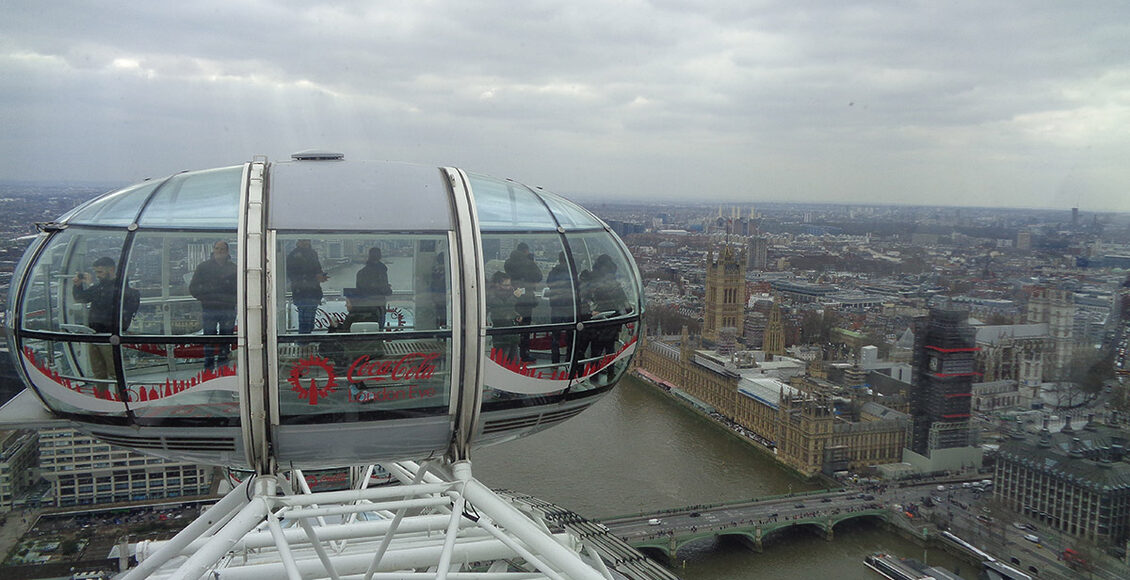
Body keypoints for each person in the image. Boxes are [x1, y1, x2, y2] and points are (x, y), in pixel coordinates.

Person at [72, 256, 140, 384]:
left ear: (111, 270)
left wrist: (91, 284)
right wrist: (77, 286)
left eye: (100, 272)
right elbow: (81, 298)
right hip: (95, 334)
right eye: (96, 272)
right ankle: (103, 399)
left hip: (110, 336)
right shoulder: (101, 287)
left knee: (115, 373)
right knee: (98, 373)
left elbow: (107, 302)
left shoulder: (119, 287)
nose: (98, 276)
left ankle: (119, 400)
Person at [189, 240, 238, 370]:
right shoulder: (203, 268)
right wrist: (209, 297)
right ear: (213, 250)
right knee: (209, 339)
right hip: (211, 308)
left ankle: (222, 369)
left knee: (225, 340)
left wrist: (208, 295)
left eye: (221, 249)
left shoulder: (234, 268)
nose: (219, 251)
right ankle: (209, 369)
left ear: (227, 251)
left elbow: (240, 289)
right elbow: (193, 288)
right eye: (217, 248)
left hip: (225, 309)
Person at [504, 242, 542, 361]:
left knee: (513, 325)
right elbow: (539, 276)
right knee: (525, 327)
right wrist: (531, 261)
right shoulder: (528, 263)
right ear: (526, 251)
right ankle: (524, 354)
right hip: (526, 299)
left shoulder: (508, 263)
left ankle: (510, 354)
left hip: (512, 296)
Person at [286, 239, 328, 334]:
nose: (306, 243)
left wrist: (320, 276)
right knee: (306, 322)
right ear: (298, 242)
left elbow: (317, 269)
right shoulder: (295, 256)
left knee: (307, 322)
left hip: (307, 293)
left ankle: (305, 342)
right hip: (305, 293)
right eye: (304, 241)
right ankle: (304, 342)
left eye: (307, 241)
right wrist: (316, 276)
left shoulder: (310, 254)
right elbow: (294, 275)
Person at [545, 252, 573, 364]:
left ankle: (555, 361)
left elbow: (549, 284)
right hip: (569, 306)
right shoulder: (571, 272)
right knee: (570, 336)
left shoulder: (554, 271)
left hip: (556, 306)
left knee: (555, 336)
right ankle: (569, 360)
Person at [487, 271, 522, 362]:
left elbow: (509, 311)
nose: (509, 287)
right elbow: (502, 311)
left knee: (514, 362)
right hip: (501, 335)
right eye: (506, 285)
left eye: (509, 285)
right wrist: (514, 297)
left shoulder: (507, 295)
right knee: (502, 361)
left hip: (511, 333)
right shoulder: (492, 296)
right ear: (497, 285)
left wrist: (516, 315)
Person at [354, 247, 392, 328]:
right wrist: (388, 289)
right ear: (380, 256)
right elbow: (384, 290)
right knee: (379, 330)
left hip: (364, 308)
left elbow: (359, 291)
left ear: (369, 256)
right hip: (379, 306)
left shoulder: (361, 273)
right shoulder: (381, 271)